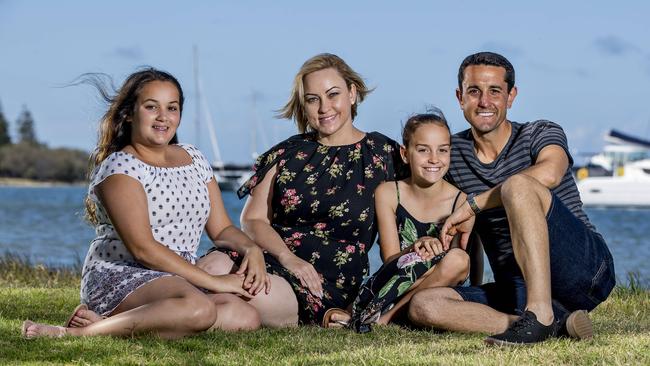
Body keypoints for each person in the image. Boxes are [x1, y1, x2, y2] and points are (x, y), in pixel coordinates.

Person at [22, 68, 268, 339]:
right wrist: (215, 282)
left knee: (245, 316)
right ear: (129, 113)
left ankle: (119, 322)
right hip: (122, 275)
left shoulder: (194, 158)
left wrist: (251, 249)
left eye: (172, 108)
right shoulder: (120, 167)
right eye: (152, 107)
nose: (163, 117)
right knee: (200, 309)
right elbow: (143, 249)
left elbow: (221, 229)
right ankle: (79, 333)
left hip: (179, 277)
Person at [407, 52, 616, 346]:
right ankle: (553, 325)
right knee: (423, 305)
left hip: (584, 270)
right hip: (519, 286)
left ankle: (540, 315)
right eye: (474, 91)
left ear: (511, 96)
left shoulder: (539, 132)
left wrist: (475, 203)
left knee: (518, 185)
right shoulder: (451, 154)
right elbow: (459, 225)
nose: (484, 101)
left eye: (495, 91)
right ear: (460, 96)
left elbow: (552, 172)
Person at [199, 53, 406, 327]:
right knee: (210, 269)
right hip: (270, 256)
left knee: (240, 297)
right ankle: (168, 314)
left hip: (326, 281)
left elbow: (427, 194)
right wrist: (287, 257)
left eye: (333, 94)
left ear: (352, 93)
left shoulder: (383, 154)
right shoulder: (289, 152)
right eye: (312, 99)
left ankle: (167, 318)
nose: (324, 108)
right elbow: (252, 219)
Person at [345, 111, 477, 333]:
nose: (434, 159)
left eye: (442, 150)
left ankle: (388, 318)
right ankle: (374, 311)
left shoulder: (461, 202)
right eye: (423, 150)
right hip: (395, 280)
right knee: (426, 262)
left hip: (437, 283)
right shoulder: (389, 193)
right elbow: (390, 260)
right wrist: (416, 247)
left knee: (459, 260)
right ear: (405, 154)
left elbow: (458, 266)